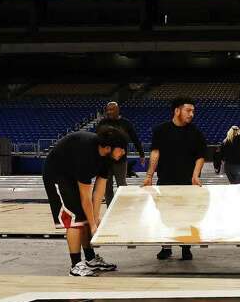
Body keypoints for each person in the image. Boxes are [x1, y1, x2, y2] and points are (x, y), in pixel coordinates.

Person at [42, 124, 128, 276]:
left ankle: (90, 259)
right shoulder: (86, 153)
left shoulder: (107, 158)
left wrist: (94, 219)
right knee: (75, 219)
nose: (124, 152)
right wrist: (93, 226)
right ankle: (75, 266)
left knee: (87, 219)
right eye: (121, 148)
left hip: (72, 175)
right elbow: (86, 197)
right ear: (108, 147)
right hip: (57, 174)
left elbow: (98, 192)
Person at [143, 96, 208, 260]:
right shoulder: (161, 130)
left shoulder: (195, 132)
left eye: (193, 111)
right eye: (188, 110)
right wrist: (149, 175)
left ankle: (186, 248)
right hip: (166, 181)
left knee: (187, 217)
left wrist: (195, 175)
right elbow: (155, 152)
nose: (191, 114)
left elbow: (201, 156)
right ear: (177, 111)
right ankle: (166, 247)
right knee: (165, 216)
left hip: (187, 182)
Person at [103, 101, 146, 180]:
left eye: (112, 109)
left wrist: (141, 154)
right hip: (106, 159)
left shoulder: (126, 123)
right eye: (108, 110)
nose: (109, 112)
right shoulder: (103, 123)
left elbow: (135, 139)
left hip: (121, 159)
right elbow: (97, 139)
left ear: (117, 110)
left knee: (121, 184)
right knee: (106, 186)